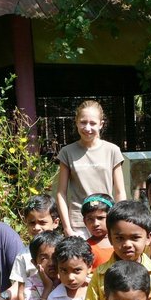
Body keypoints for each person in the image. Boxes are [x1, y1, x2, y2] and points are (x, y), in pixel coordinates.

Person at [57, 100, 127, 238]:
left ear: (101, 124)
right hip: (78, 224)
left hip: (106, 220)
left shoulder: (112, 151)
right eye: (83, 122)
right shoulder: (67, 152)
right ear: (76, 122)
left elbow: (120, 192)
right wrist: (67, 228)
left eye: (93, 123)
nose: (87, 128)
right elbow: (61, 193)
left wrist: (118, 222)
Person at [9, 195, 61, 300]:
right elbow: (21, 291)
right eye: (32, 223)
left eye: (42, 222)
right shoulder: (23, 255)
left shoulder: (63, 248)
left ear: (55, 222)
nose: (36, 227)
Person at [81, 193, 114, 270]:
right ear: (85, 222)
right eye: (90, 219)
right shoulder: (85, 248)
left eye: (100, 218)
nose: (95, 224)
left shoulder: (121, 242)